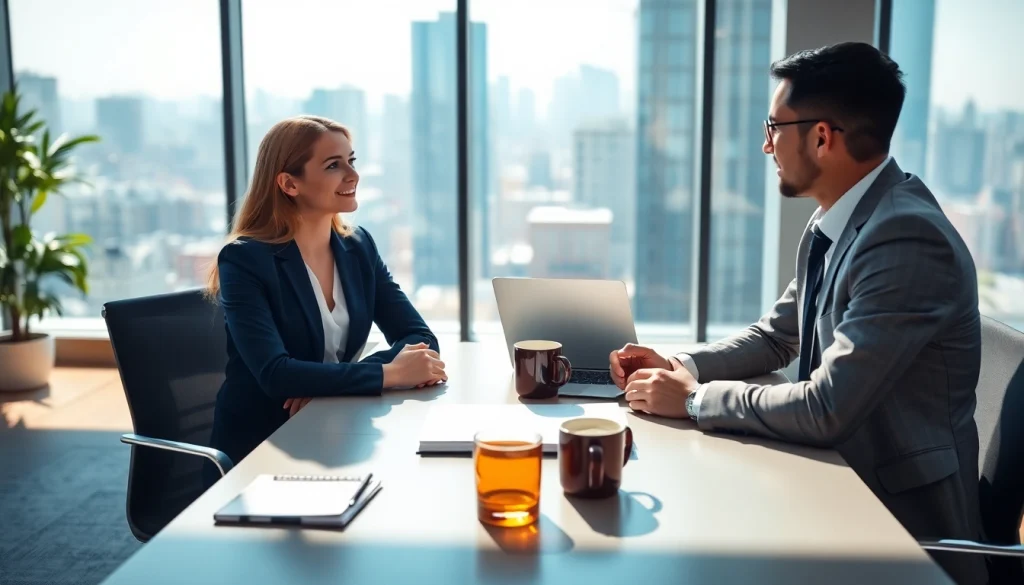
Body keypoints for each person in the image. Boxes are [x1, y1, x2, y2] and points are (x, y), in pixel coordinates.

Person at [611, 43, 986, 585]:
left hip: (899, 533)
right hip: (836, 486)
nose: (766, 146)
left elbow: (827, 407)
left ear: (821, 137)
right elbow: (775, 337)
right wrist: (678, 363)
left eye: (773, 127)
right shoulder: (839, 221)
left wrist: (693, 400)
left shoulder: (906, 237)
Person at [204, 115, 446, 475]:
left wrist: (330, 385)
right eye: (334, 165)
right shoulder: (245, 260)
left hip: (335, 430)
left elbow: (420, 337)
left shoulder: (358, 247)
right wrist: (390, 374)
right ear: (289, 183)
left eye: (352, 161)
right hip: (262, 450)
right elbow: (276, 374)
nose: (353, 175)